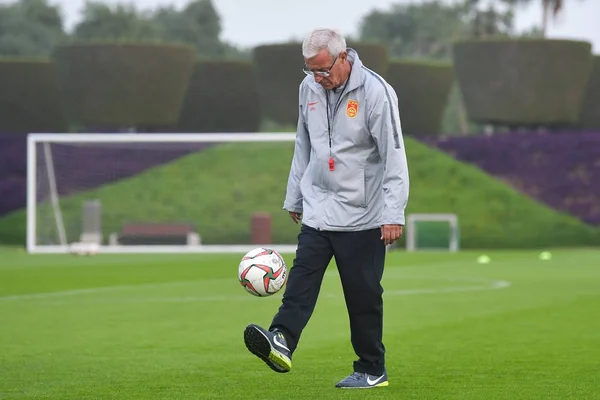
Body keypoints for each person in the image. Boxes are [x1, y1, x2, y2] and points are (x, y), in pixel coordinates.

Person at [243, 28, 410, 389]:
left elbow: (394, 154)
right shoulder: (309, 89)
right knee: (301, 280)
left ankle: (371, 368)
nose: (318, 78)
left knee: (363, 295)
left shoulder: (376, 92)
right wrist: (295, 196)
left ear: (343, 56)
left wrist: (393, 212)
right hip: (319, 208)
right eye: (310, 71)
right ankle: (282, 340)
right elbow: (303, 144)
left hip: (363, 214)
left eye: (323, 70)